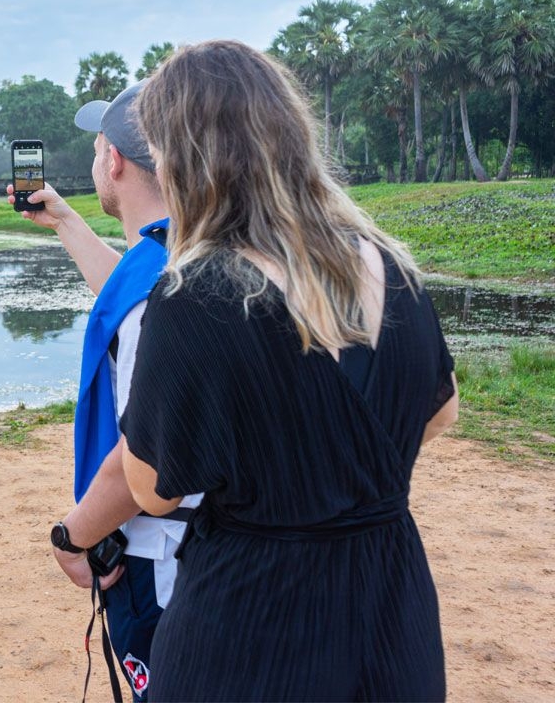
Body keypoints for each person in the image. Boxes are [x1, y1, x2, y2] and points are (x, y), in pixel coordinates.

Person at [120, 40, 459, 701]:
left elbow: (155, 487)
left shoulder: (196, 297)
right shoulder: (393, 266)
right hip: (391, 609)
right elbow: (440, 412)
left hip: (252, 625)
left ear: (186, 159)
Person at [10, 81, 197, 701]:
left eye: (96, 148)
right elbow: (124, 292)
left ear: (113, 161)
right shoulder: (188, 251)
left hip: (160, 551)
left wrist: (74, 535)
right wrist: (64, 218)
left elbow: (145, 453)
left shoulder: (161, 288)